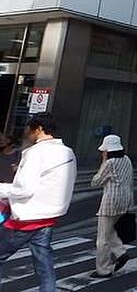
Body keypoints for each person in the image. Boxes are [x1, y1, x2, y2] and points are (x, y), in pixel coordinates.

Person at [0, 114, 77, 292]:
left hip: (27, 217)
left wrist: (2, 189)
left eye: (29, 128)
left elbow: (23, 189)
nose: (26, 132)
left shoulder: (36, 153)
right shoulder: (67, 152)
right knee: (43, 261)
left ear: (39, 129)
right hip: (49, 215)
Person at [90, 134, 133, 278]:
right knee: (111, 231)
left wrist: (103, 162)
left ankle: (104, 269)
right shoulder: (127, 160)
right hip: (125, 199)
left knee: (102, 238)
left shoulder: (110, 163)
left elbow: (96, 182)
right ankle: (121, 253)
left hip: (111, 201)